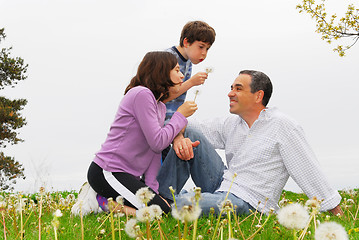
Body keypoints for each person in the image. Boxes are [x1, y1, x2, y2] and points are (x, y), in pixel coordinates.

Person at [157, 70, 343, 216]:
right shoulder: (231, 123)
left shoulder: (282, 125)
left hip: (251, 202)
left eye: (238, 88)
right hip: (223, 184)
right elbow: (181, 124)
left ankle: (163, 205)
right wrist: (179, 137)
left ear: (258, 96)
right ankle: (157, 197)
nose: (230, 93)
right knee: (186, 130)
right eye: (231, 88)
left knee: (183, 205)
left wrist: (333, 207)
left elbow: (306, 167)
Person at [87, 51, 198, 215]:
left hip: (127, 176)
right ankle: (103, 202)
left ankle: (112, 202)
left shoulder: (159, 106)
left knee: (164, 209)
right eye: (176, 70)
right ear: (161, 71)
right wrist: (179, 115)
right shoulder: (141, 94)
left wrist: (153, 190)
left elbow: (154, 151)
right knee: (156, 212)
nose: (181, 75)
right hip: (108, 171)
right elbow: (158, 142)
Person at [162, 20, 216, 159]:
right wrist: (191, 82)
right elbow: (163, 96)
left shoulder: (187, 62)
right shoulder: (168, 58)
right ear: (186, 42)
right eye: (201, 47)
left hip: (170, 124)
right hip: (158, 125)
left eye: (207, 49)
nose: (204, 53)